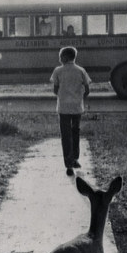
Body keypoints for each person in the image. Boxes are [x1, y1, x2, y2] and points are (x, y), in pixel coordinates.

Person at [50, 46, 91, 176]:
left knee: (65, 135)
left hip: (63, 108)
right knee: (76, 132)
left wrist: (62, 95)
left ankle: (68, 165)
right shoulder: (81, 70)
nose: (59, 59)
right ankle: (75, 159)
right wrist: (80, 98)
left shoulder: (58, 70)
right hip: (77, 107)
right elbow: (87, 89)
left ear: (65, 58)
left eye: (60, 56)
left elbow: (55, 90)